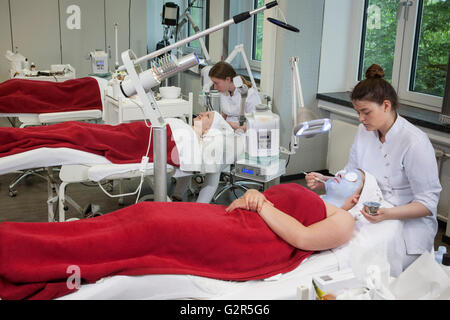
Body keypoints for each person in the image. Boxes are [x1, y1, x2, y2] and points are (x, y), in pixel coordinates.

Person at [0, 177, 363, 300]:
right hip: (221, 220)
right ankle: (19, 243)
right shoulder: (321, 199)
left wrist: (262, 203)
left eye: (354, 178)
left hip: (240, 240)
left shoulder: (344, 220)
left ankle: (18, 256)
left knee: (136, 236)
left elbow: (300, 236)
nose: (343, 177)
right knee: (136, 219)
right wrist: (256, 200)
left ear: (359, 197)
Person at [305, 64, 442, 270]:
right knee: (323, 237)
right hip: (368, 211)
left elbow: (427, 204)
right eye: (358, 112)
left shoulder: (414, 142)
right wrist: (326, 181)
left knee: (352, 256)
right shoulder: (364, 131)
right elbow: (352, 174)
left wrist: (387, 213)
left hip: (402, 222)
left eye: (365, 112)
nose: (360, 119)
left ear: (386, 105)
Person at [172, 110, 238, 203]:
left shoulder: (203, 143)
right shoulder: (188, 130)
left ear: (208, 130)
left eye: (207, 116)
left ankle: (197, 207)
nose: (202, 113)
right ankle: (179, 197)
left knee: (214, 171)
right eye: (206, 113)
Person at [208, 61, 262, 131]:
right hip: (228, 131)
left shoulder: (249, 95)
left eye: (216, 83)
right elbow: (225, 112)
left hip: (244, 134)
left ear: (228, 79)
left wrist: (226, 124)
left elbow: (255, 124)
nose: (215, 87)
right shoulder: (224, 91)